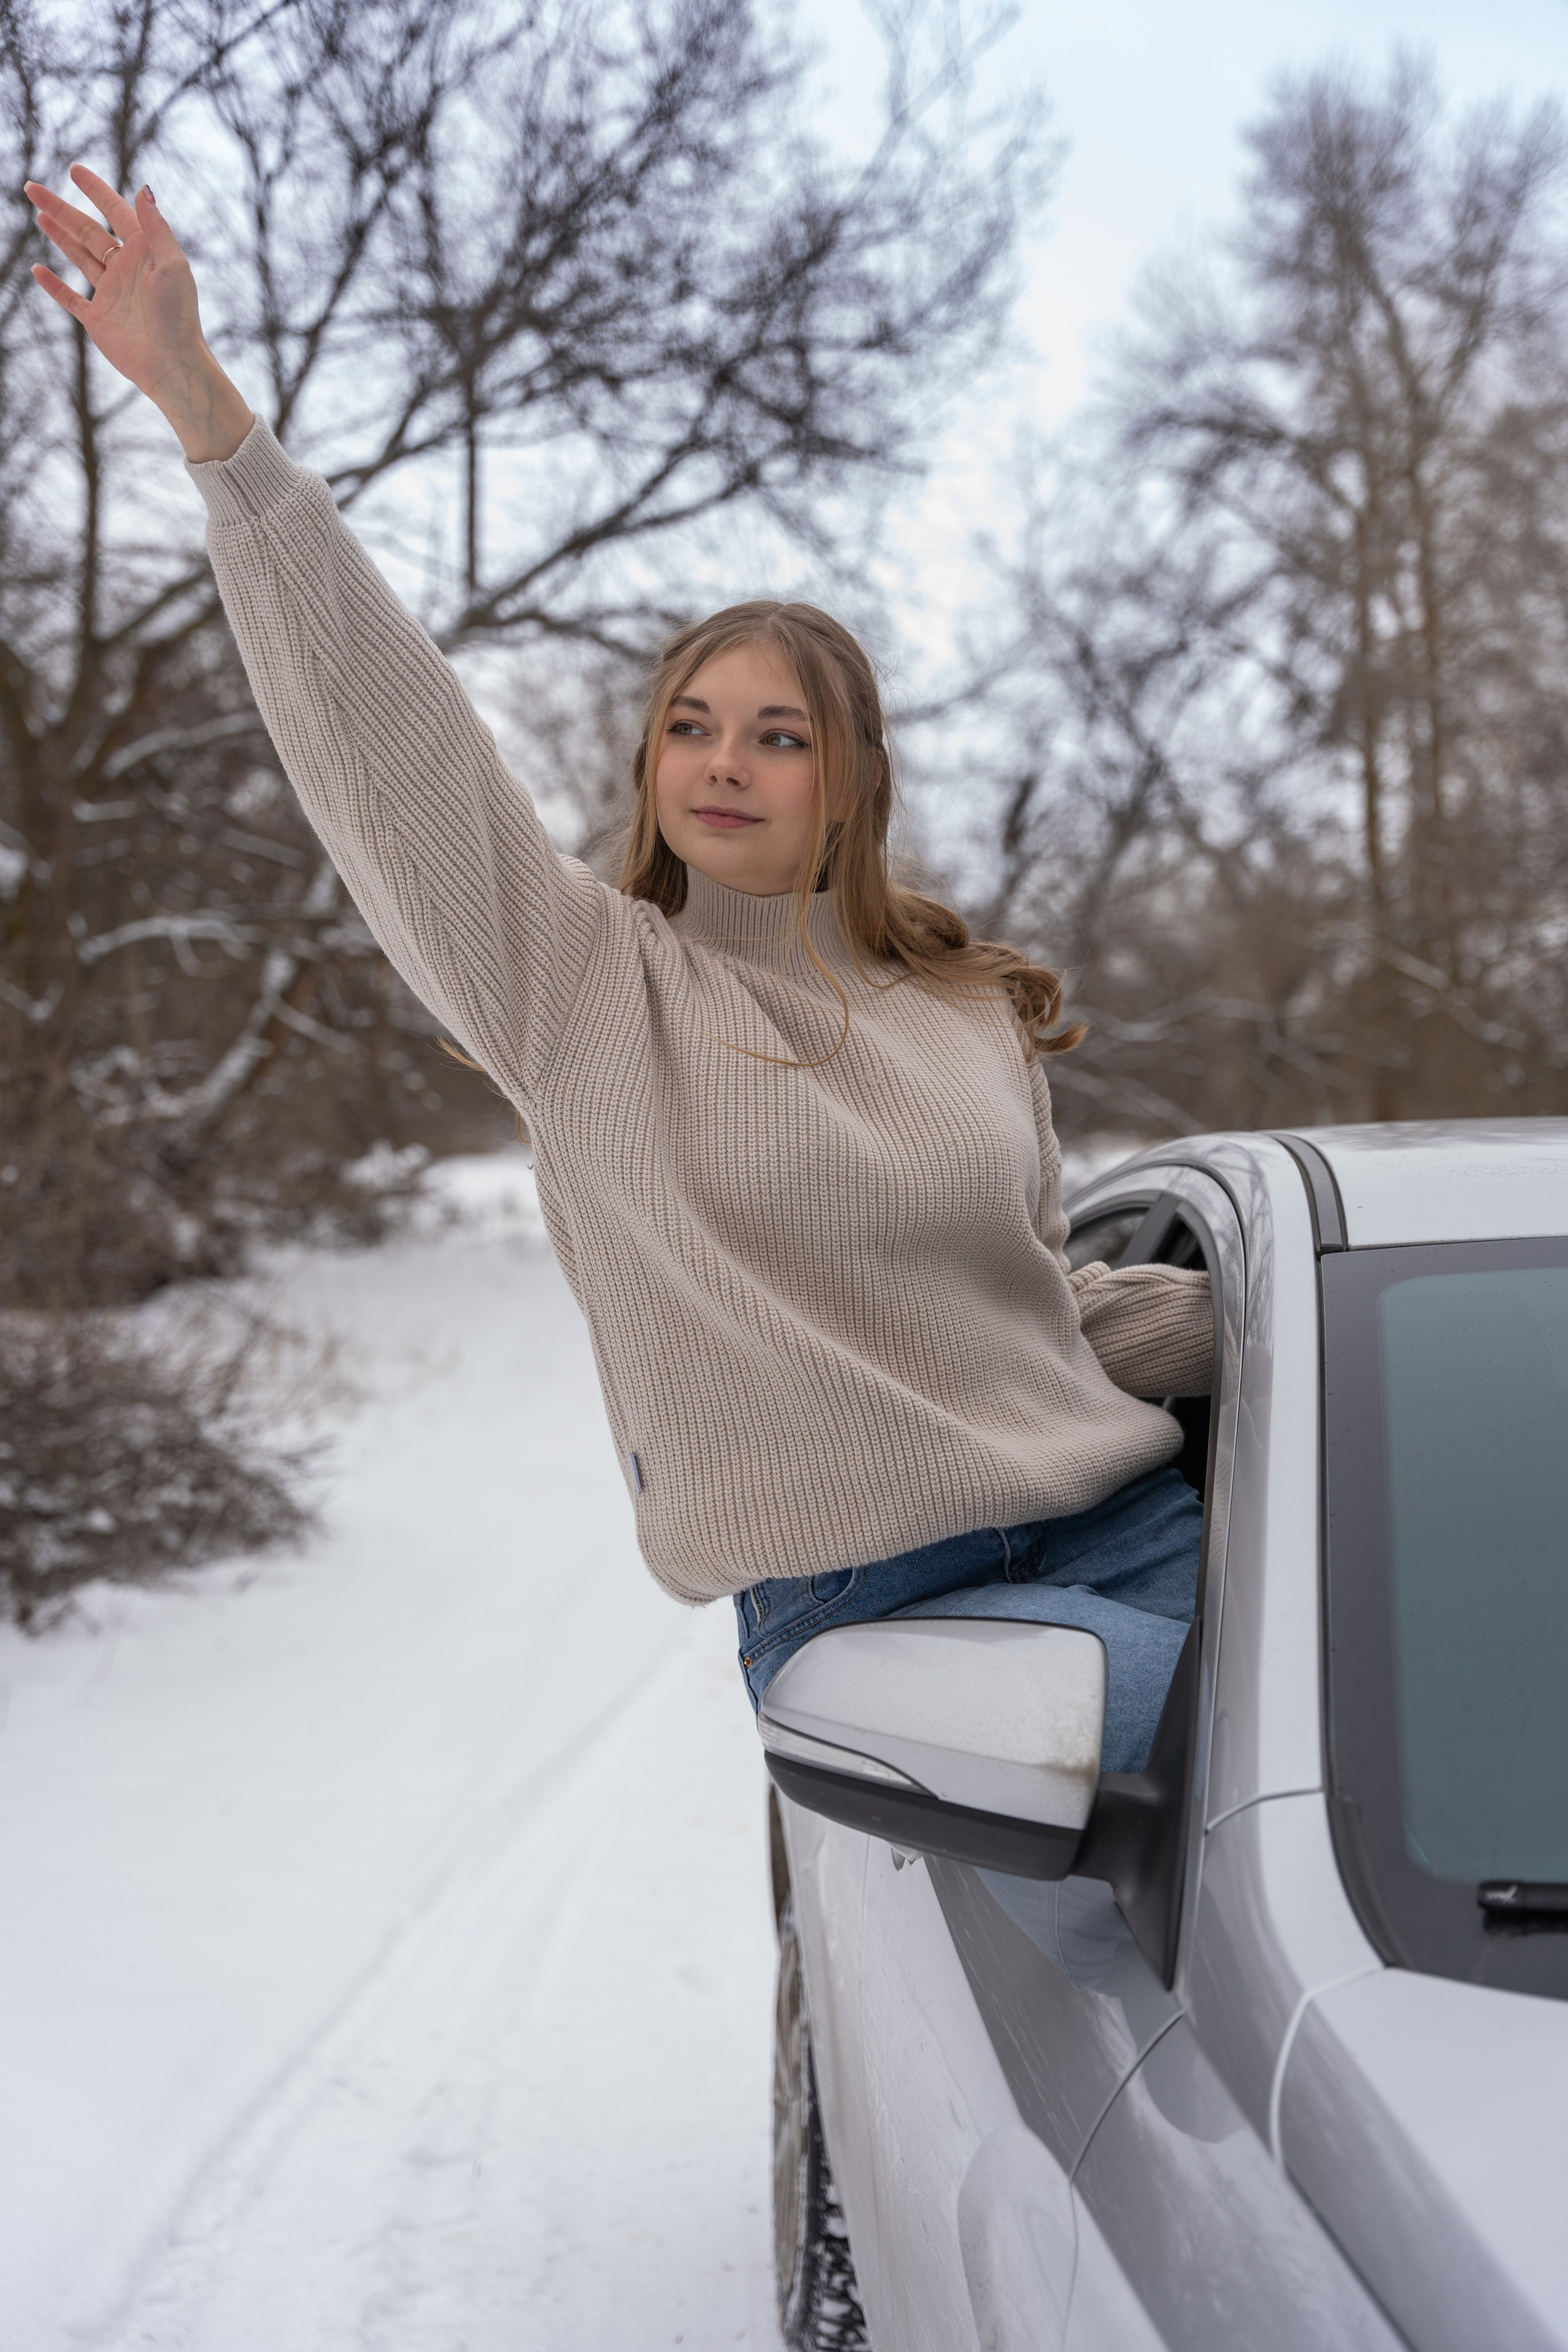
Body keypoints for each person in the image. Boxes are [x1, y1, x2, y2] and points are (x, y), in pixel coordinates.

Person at [26, 168, 1214, 1775]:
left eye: (778, 736)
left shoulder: (964, 1009)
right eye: (691, 726)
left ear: (849, 781)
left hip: (1134, 1531)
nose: (724, 764)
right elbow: (398, 756)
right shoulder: (588, 985)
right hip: (886, 1619)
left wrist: (1306, 1321)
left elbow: (1024, 1305)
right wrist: (209, 417)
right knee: (1300, 1830)